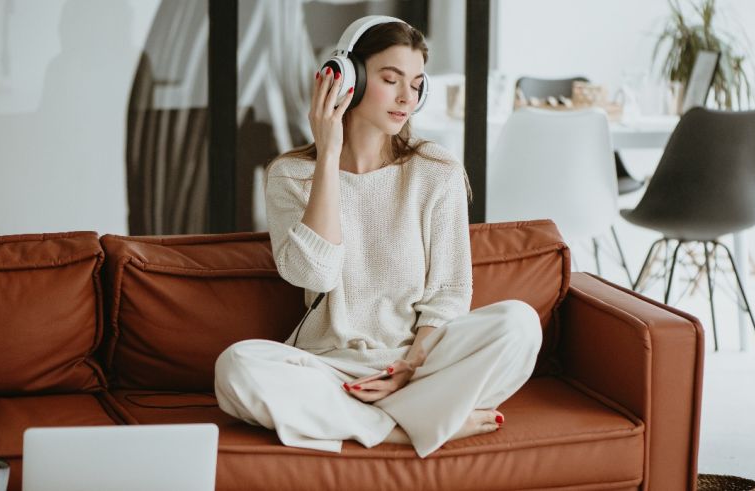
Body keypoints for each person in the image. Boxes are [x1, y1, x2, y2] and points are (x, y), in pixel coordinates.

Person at [214, 16, 542, 459]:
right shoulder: (290, 175)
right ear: (347, 79)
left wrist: (411, 365)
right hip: (330, 366)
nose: (408, 97)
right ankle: (408, 429)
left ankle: (376, 416)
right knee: (236, 367)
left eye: (417, 83)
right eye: (391, 80)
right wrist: (328, 153)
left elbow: (449, 292)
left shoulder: (435, 170)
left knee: (519, 324)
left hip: (420, 363)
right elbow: (315, 272)